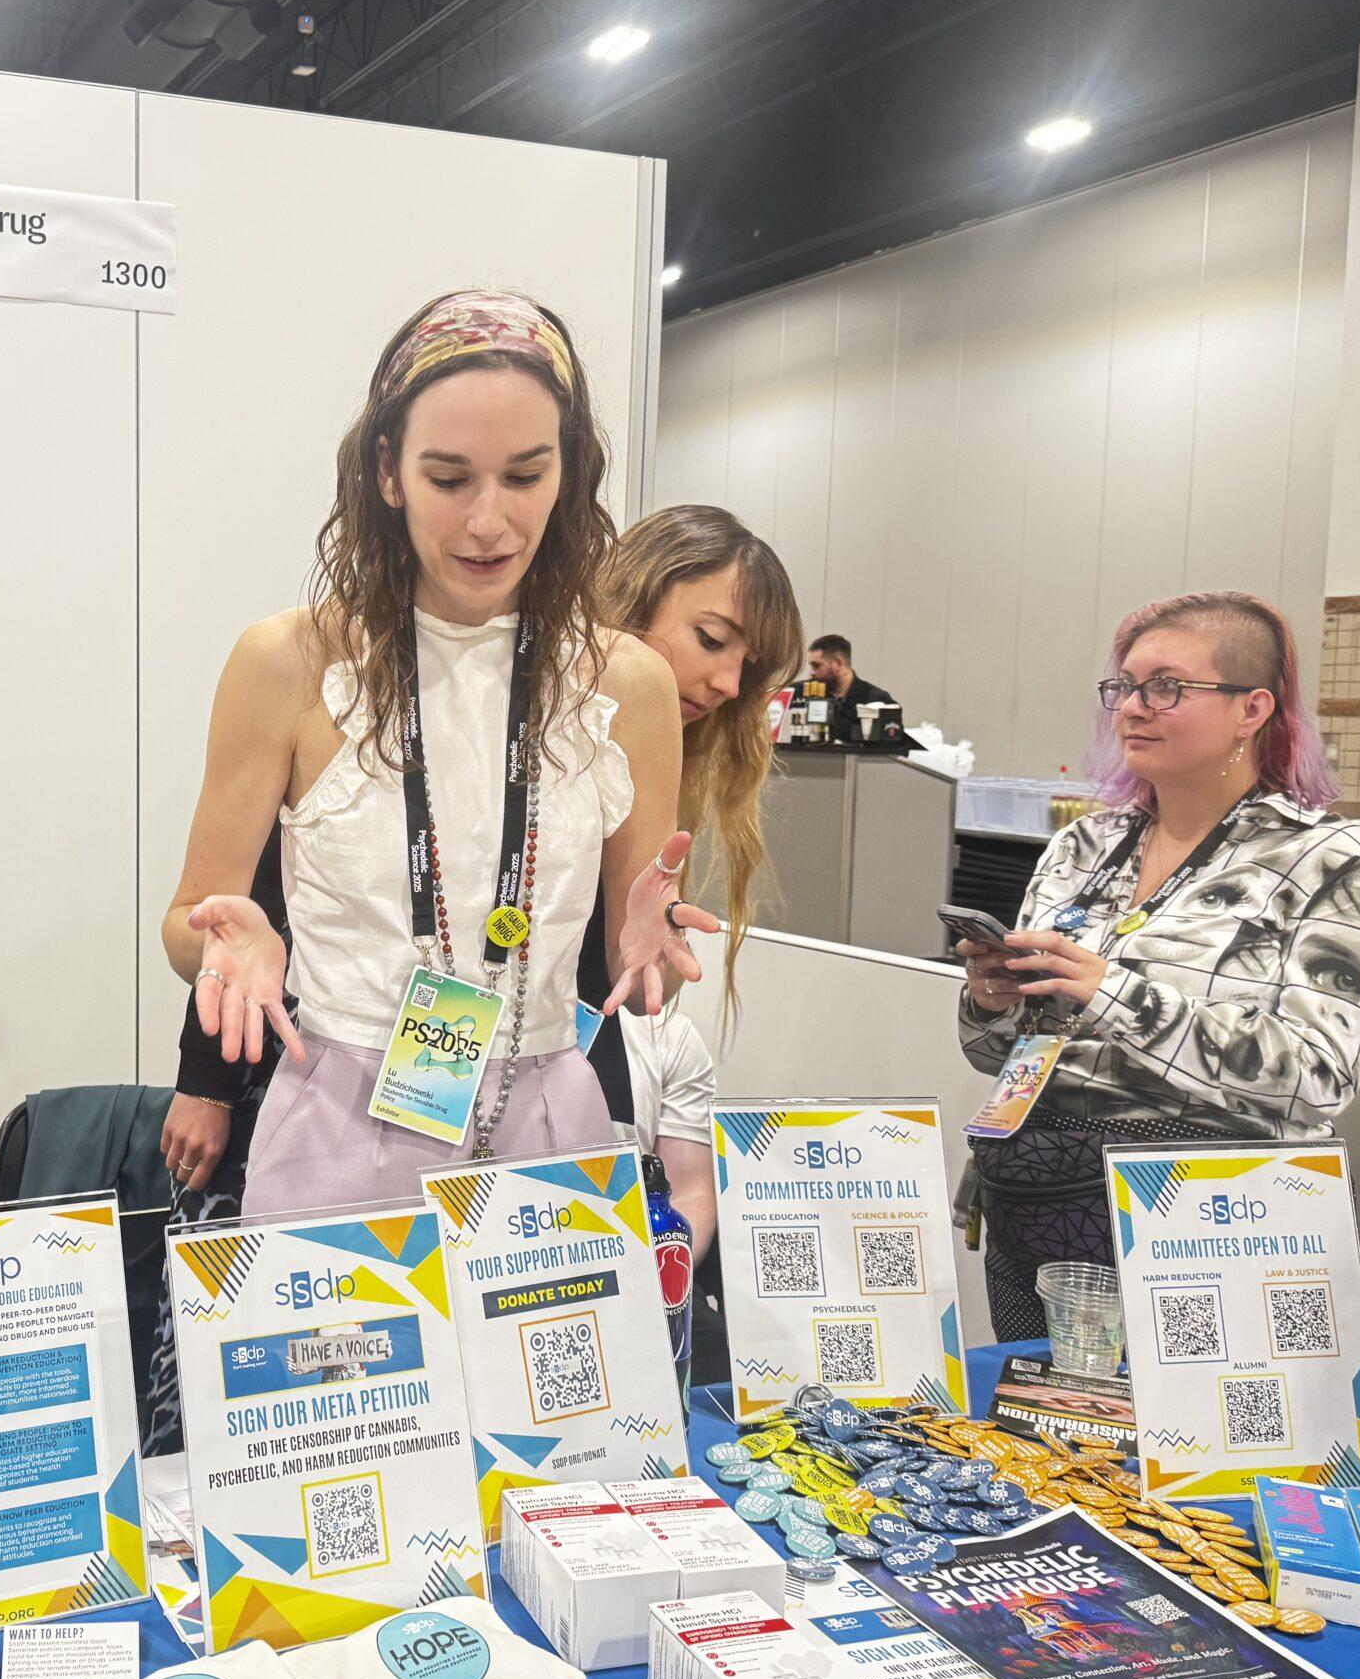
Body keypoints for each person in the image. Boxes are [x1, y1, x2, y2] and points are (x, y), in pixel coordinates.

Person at [163, 290, 714, 1217]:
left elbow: (641, 959)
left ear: (569, 471)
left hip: (550, 1125)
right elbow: (190, 920)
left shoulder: (630, 684)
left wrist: (645, 948)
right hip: (339, 1126)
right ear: (388, 471)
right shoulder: (288, 663)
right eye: (450, 479)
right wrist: (230, 945)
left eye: (525, 476)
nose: (488, 522)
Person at [952, 589, 1360, 1340]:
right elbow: (998, 1058)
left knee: (1194, 1422)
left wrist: (1112, 994)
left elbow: (1316, 1075)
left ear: (1252, 708)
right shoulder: (1083, 848)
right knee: (1043, 1416)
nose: (1132, 708)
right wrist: (992, 1002)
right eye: (1124, 686)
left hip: (1214, 1233)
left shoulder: (1339, 868)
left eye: (1166, 687)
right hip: (1039, 1221)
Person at [595, 504, 807, 1386]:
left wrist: (645, 952)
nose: (724, 683)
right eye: (712, 639)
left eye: (746, 668)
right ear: (630, 595)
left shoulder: (660, 775)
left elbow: (618, 991)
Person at [805, 633, 905, 746]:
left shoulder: (877, 700)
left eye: (817, 666)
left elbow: (892, 744)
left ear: (838, 663)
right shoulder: (802, 694)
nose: (811, 673)